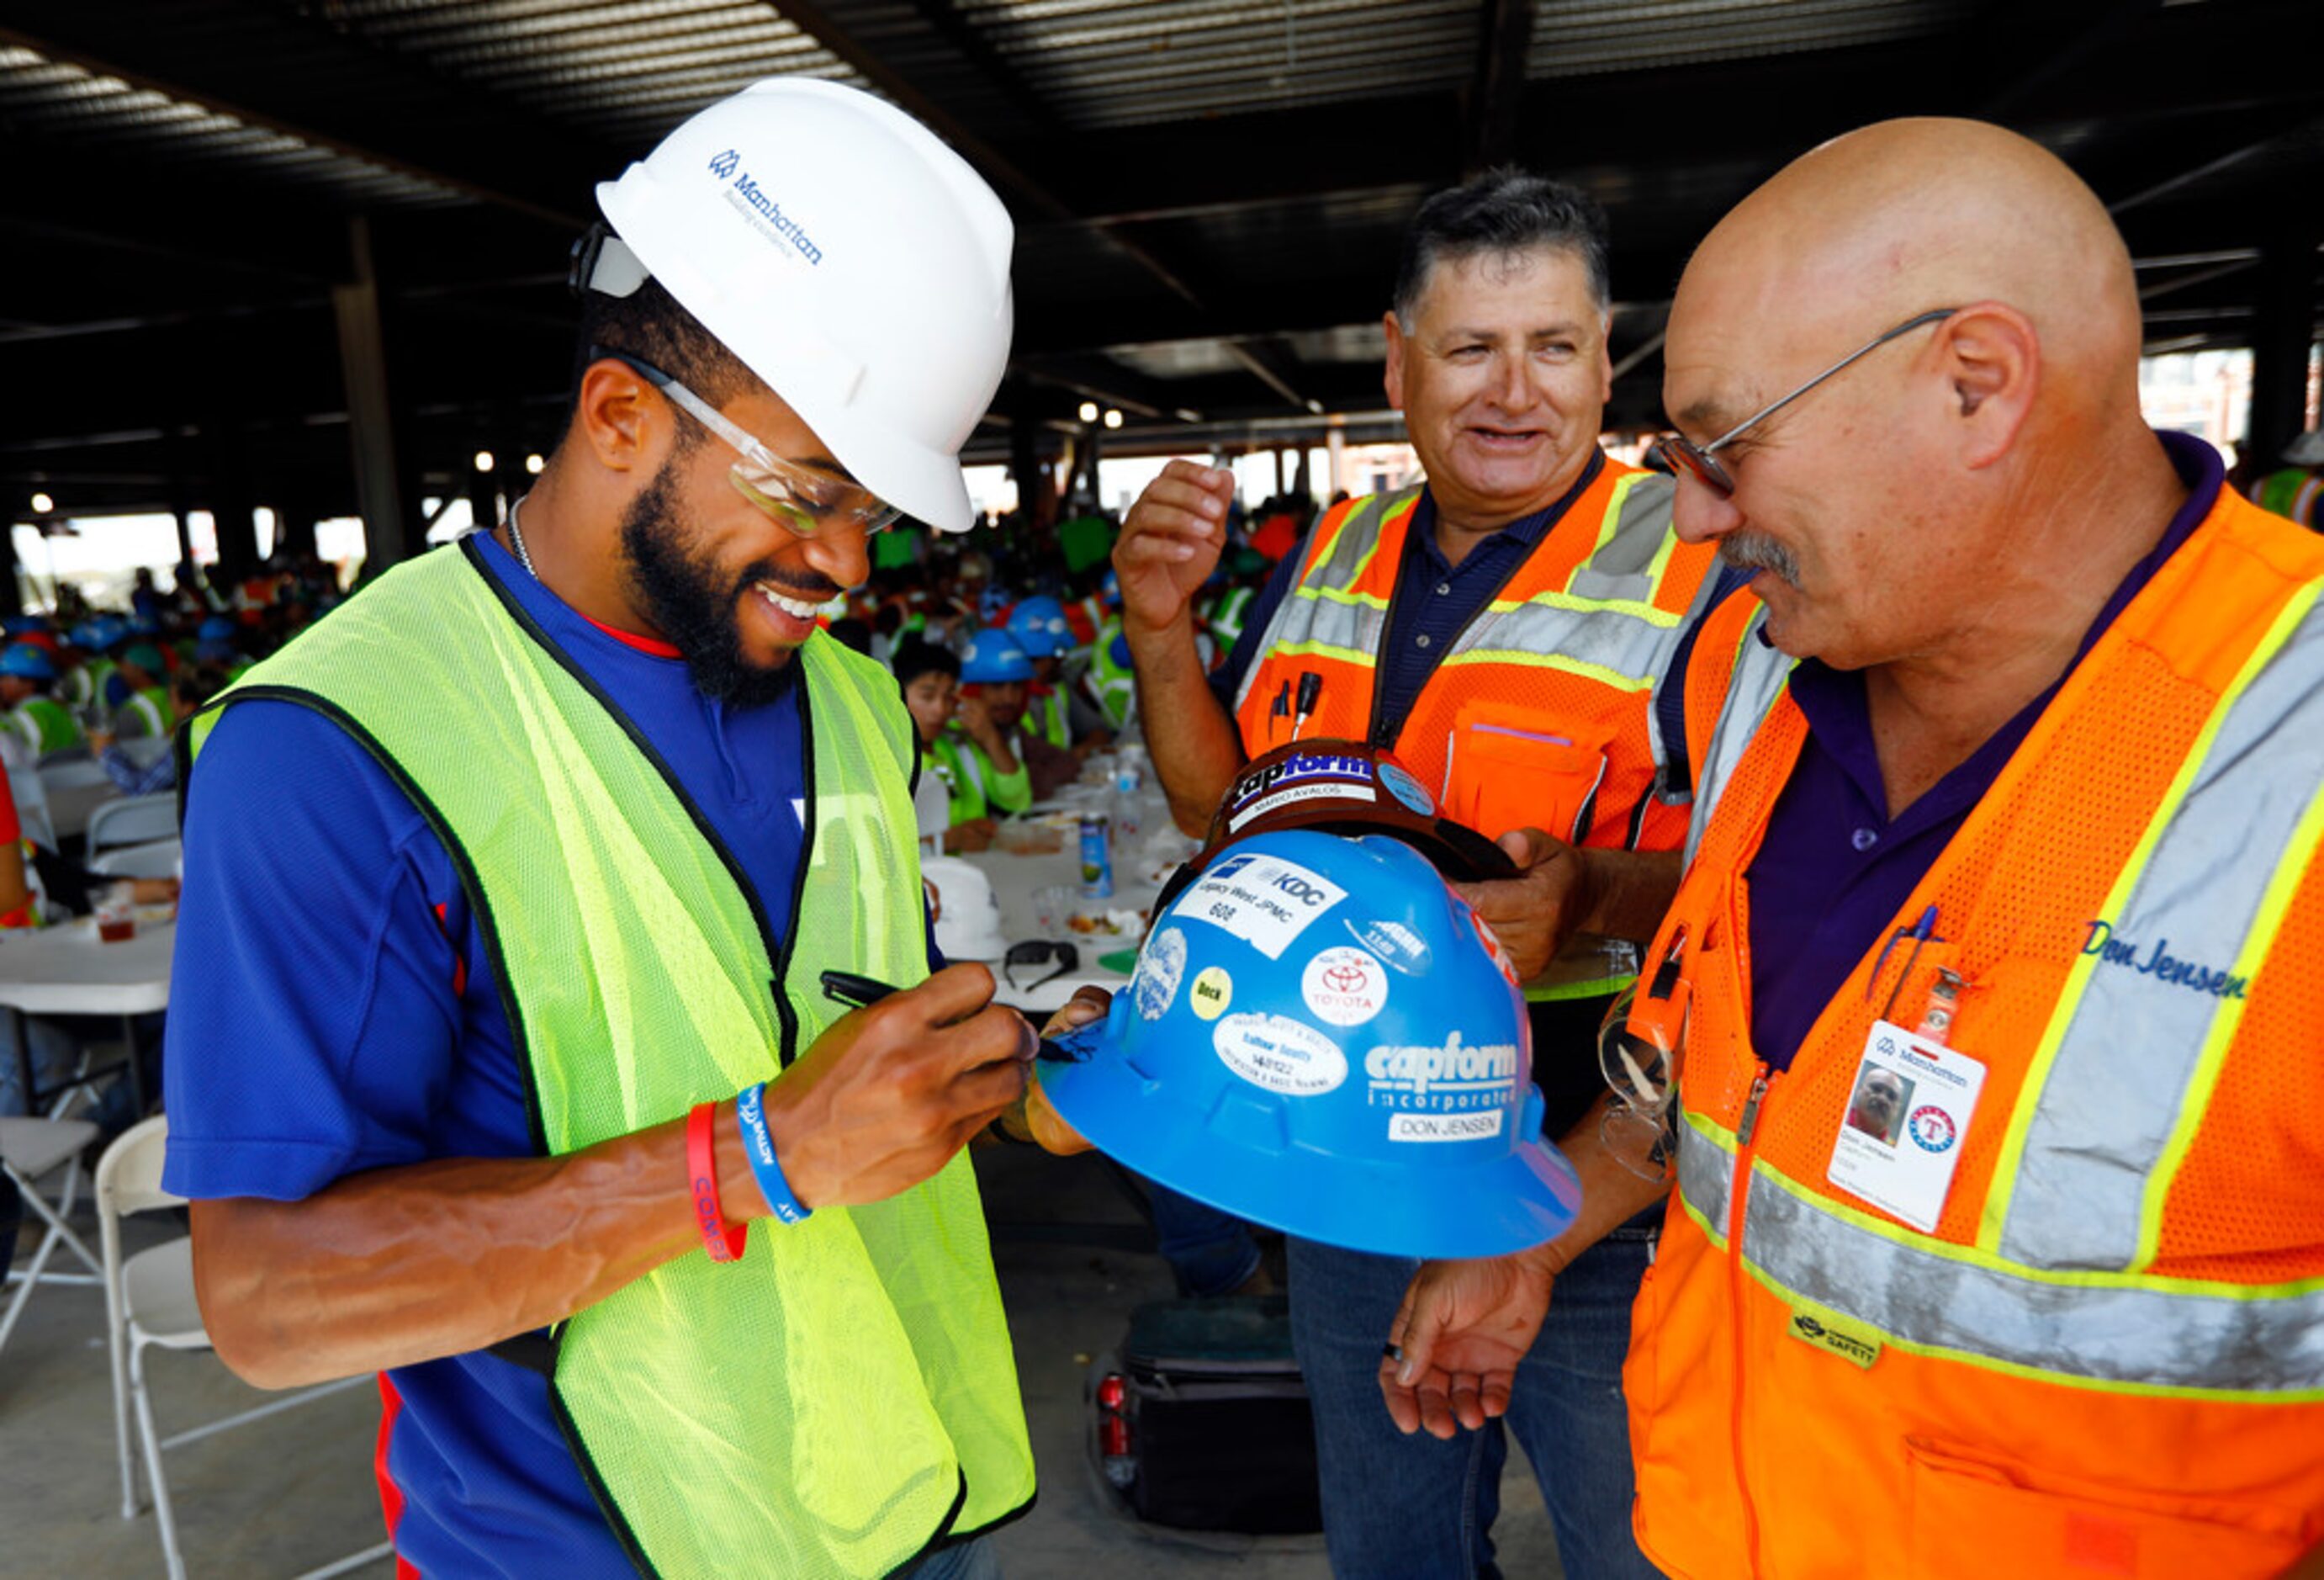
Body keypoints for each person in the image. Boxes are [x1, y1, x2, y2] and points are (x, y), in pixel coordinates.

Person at [162, 80, 1094, 1579]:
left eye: (878, 512)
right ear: (618, 415)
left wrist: (996, 1075)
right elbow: (269, 1297)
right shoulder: (341, 746)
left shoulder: (851, 703)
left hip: (906, 1498)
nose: (847, 561)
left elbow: (816, 1041)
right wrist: (757, 1156)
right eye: (808, 490)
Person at [1388, 119, 2324, 1577]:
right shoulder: (1765, 669)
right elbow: (1729, 1069)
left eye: (1722, 445)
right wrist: (1536, 1239)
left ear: (1974, 386)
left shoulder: (2290, 755)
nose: (1689, 516)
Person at [1116, 168, 1723, 1578]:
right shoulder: (1327, 552)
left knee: (1635, 1545)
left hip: (1593, 1169)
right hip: (1349, 1168)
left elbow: (1760, 872)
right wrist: (1160, 629)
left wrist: (1589, 892)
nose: (1515, 392)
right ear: (1396, 360)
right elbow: (1232, 813)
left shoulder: (1696, 566)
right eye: (1469, 349)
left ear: (1603, 354)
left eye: (1554, 348)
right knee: (1390, 1545)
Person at [895, 637, 999, 855]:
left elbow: (1015, 797)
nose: (940, 710)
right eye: (928, 696)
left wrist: (990, 737)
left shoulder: (956, 747)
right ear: (896, 695)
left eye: (949, 697)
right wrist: (945, 841)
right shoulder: (889, 761)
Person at [0, 644, 83, 756]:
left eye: (5, 677)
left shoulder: (19, 719)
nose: (1, 684)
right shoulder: (67, 710)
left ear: (27, 683)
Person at [2250, 427, 2322, 528]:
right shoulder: (2318, 490)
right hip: (2302, 543)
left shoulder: (2260, 484)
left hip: (2262, 543)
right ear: (2317, 463)